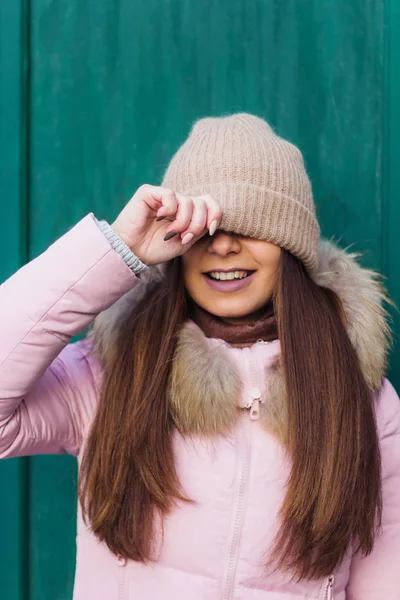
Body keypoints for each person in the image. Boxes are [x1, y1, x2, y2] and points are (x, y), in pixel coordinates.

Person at [1, 113, 399, 600]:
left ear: (290, 248)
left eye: (253, 226)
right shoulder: (105, 375)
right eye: (203, 230)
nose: (225, 245)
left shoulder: (364, 397)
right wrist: (117, 251)